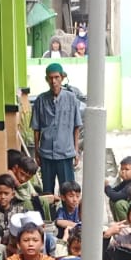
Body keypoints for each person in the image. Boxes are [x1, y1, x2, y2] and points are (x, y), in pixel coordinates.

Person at [32, 63, 84, 202]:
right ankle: (49, 218)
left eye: (56, 77)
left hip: (65, 153)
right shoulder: (40, 100)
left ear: (62, 78)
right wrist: (36, 152)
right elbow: (36, 129)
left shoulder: (71, 98)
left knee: (68, 192)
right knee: (47, 193)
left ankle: (69, 219)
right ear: (46, 79)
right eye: (50, 78)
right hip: (46, 153)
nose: (53, 81)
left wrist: (76, 151)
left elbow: (76, 127)